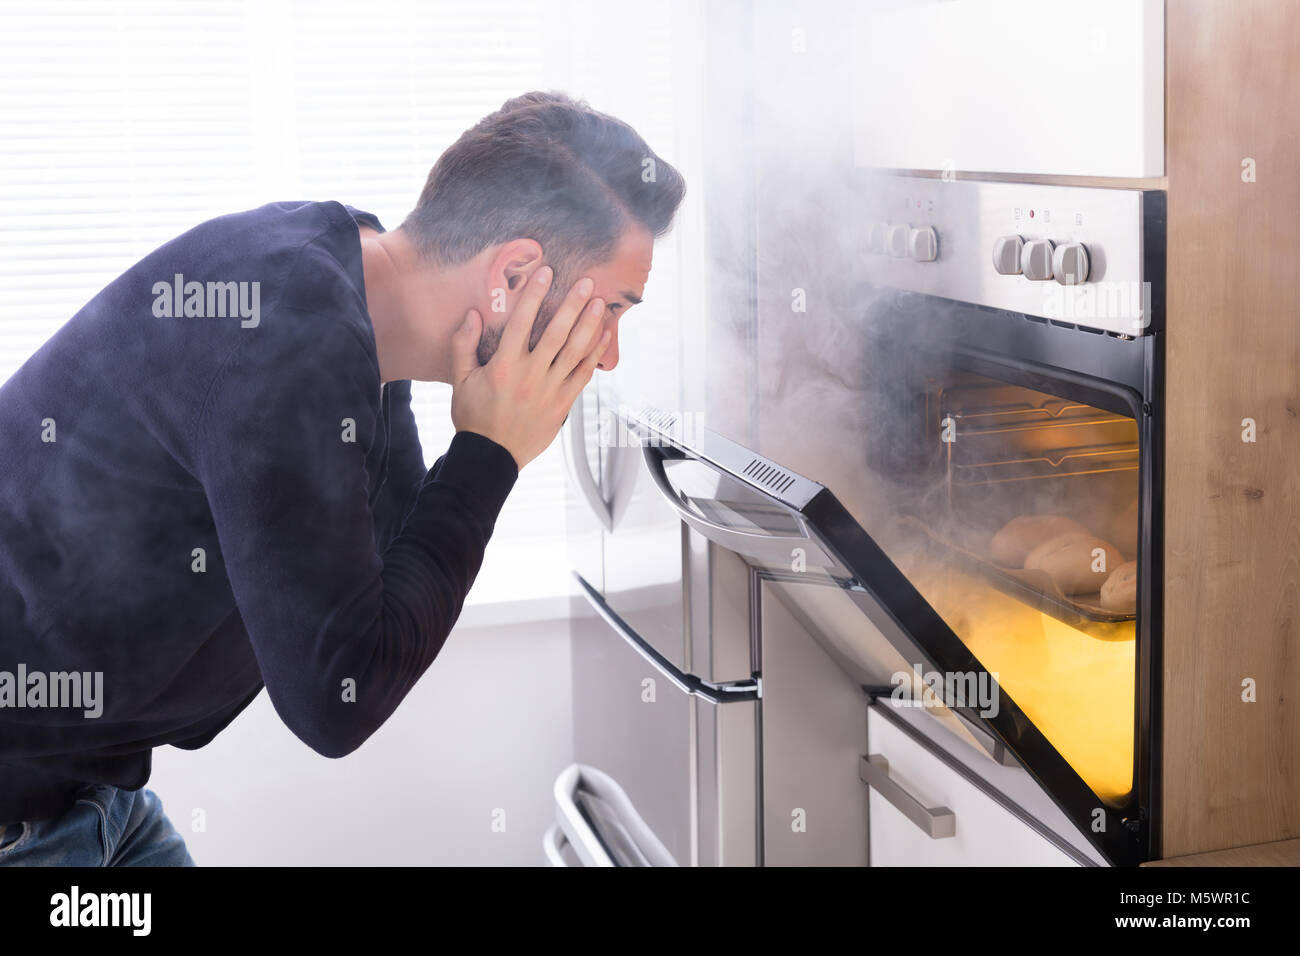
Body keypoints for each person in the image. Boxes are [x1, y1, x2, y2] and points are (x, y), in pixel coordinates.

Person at [0, 90, 686, 865]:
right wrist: (488, 455)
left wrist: (487, 450)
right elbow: (337, 700)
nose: (609, 354)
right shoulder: (280, 331)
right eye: (614, 310)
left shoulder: (346, 285)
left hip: (91, 797)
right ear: (516, 274)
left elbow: (389, 592)